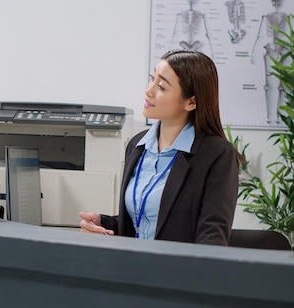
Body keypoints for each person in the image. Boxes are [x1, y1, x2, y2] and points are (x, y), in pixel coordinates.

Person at [79, 49, 244, 245]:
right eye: (152, 79)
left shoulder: (216, 154)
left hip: (179, 271)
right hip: (131, 267)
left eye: (162, 87)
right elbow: (143, 221)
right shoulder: (137, 145)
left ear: (191, 102)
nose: (149, 91)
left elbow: (212, 235)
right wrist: (105, 223)